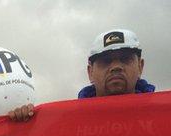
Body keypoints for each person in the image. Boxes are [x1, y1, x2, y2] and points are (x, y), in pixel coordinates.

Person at [9, 28, 156, 121]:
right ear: (90, 72)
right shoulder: (67, 122)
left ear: (140, 66)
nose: (116, 67)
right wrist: (23, 126)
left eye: (125, 59)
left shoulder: (162, 117)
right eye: (106, 61)